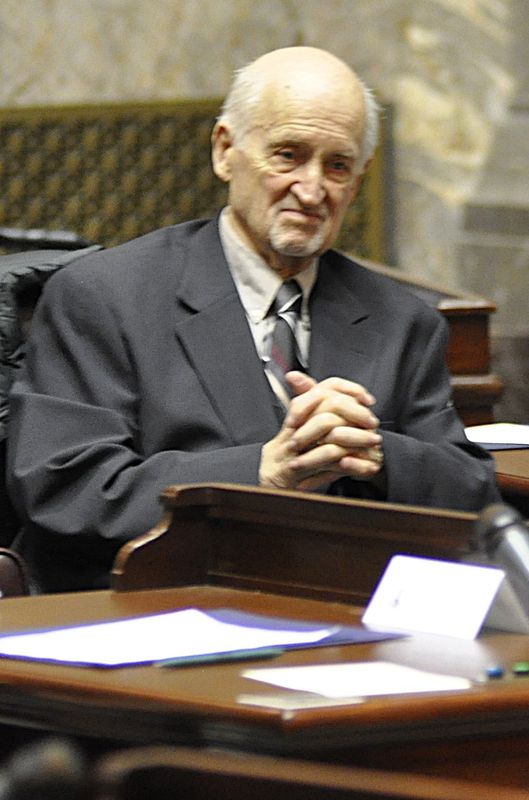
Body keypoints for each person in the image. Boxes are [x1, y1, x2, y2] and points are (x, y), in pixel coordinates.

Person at [6, 46, 499, 592]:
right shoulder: (105, 296)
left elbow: (473, 496)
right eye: (288, 155)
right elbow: (65, 490)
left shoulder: (402, 320)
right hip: (158, 602)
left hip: (338, 603)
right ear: (225, 151)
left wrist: (377, 453)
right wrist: (263, 473)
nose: (312, 190)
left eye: (337, 165)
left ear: (358, 180)